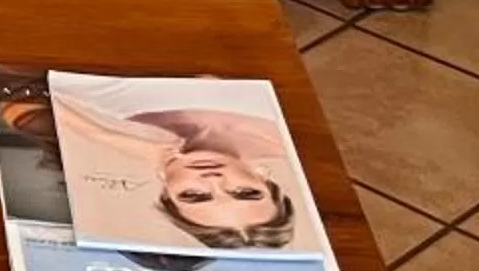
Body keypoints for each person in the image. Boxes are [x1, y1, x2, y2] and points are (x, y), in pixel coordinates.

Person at [53, 87, 300, 250]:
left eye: (194, 195)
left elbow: (39, 91)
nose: (213, 179)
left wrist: (104, 135)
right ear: (264, 177)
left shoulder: (116, 117)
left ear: (166, 191)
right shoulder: (292, 131)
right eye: (245, 192)